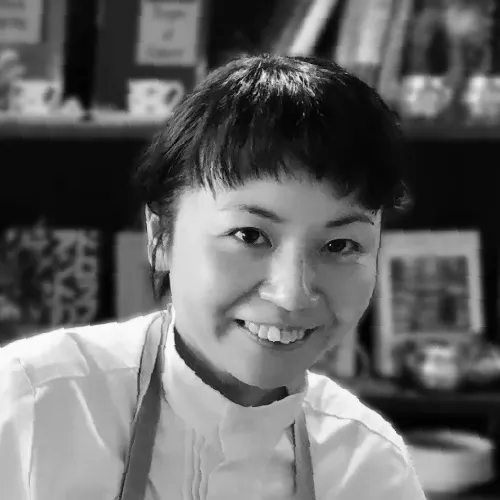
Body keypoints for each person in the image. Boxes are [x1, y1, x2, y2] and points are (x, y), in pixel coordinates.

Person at [0, 54, 426, 499]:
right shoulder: (32, 406)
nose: (292, 295)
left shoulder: (369, 467)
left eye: (339, 246)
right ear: (161, 236)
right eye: (249, 235)